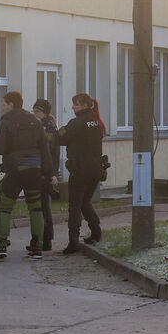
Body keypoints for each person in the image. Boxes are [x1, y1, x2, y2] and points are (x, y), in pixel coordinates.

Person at [0, 91, 57, 260]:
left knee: (5, 207)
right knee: (36, 208)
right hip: (35, 170)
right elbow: (45, 150)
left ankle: (2, 245)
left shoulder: (5, 121)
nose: (2, 107)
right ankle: (37, 248)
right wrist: (50, 174)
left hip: (14, 170)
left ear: (12, 104)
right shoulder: (35, 121)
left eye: (4, 103)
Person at [57, 93, 106, 254]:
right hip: (95, 170)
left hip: (80, 170)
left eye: (75, 104)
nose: (72, 107)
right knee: (85, 201)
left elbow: (59, 138)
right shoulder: (97, 121)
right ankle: (96, 231)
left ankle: (73, 241)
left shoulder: (76, 123)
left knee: (75, 206)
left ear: (84, 105)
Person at [31, 99, 60, 251]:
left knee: (43, 206)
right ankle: (40, 239)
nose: (34, 114)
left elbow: (47, 150)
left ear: (45, 113)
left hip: (46, 171)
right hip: (41, 170)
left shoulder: (48, 127)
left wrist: (50, 173)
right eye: (33, 111)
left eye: (37, 112)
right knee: (40, 205)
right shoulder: (41, 125)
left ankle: (46, 240)